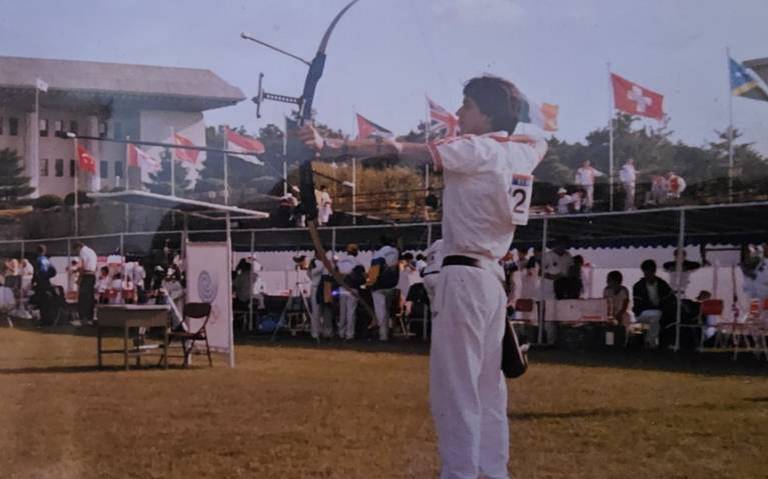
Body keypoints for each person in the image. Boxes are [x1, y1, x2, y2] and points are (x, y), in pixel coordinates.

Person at [298, 74, 548, 478]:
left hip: (465, 277)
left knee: (456, 391)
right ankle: (491, 473)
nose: (460, 113)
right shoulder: (523, 151)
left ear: (485, 114)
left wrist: (331, 144)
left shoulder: (474, 149)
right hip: (490, 280)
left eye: (466, 106)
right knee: (488, 391)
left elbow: (399, 149)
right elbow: (537, 138)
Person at [632, 259, 675, 349]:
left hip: (659, 313)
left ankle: (649, 341)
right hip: (642, 313)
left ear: (654, 271)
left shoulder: (662, 285)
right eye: (646, 272)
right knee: (654, 316)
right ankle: (649, 341)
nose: (647, 275)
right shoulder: (638, 286)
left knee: (656, 317)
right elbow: (638, 304)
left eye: (649, 272)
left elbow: (670, 299)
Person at [366, 236, 400, 341]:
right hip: (392, 285)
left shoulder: (379, 253)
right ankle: (389, 332)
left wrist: (370, 284)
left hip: (379, 286)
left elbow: (374, 270)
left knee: (380, 311)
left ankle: (383, 335)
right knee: (388, 310)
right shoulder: (396, 252)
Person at [336, 243, 365, 340]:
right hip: (352, 289)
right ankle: (349, 335)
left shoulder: (341, 262)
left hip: (342, 288)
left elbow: (336, 275)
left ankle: (341, 333)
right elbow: (362, 279)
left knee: (342, 312)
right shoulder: (358, 263)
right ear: (356, 251)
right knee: (351, 312)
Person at [31, 245, 57, 325]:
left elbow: (37, 272)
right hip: (46, 282)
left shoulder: (39, 260)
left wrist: (34, 280)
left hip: (41, 282)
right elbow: (53, 271)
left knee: (41, 301)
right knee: (46, 301)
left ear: (37, 251)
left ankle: (44, 320)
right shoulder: (47, 260)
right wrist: (47, 277)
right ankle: (48, 319)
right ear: (44, 251)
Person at [75, 241, 97, 324]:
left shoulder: (82, 252)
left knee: (83, 297)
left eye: (76, 250)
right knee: (90, 297)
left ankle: (82, 317)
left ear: (78, 247)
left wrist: (79, 278)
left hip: (86, 276)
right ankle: (89, 317)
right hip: (92, 275)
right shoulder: (91, 251)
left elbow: (83, 266)